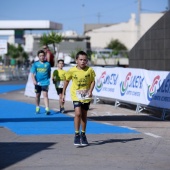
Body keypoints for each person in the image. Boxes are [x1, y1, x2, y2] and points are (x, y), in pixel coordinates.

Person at [62, 51, 96, 146]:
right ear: (76, 60)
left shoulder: (90, 70)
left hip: (86, 95)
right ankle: (76, 134)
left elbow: (93, 81)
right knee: (78, 113)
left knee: (84, 114)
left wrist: (90, 90)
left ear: (87, 61)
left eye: (85, 60)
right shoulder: (72, 71)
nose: (82, 62)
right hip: (76, 95)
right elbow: (66, 81)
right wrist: (63, 93)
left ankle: (83, 134)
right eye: (80, 60)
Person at [31, 50, 51, 115]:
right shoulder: (35, 64)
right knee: (37, 95)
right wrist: (34, 80)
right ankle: (37, 107)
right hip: (37, 82)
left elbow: (49, 72)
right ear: (38, 56)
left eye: (43, 56)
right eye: (40, 56)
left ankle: (47, 108)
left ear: (44, 56)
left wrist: (48, 78)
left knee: (45, 95)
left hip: (45, 82)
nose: (42, 57)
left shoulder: (47, 64)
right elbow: (32, 73)